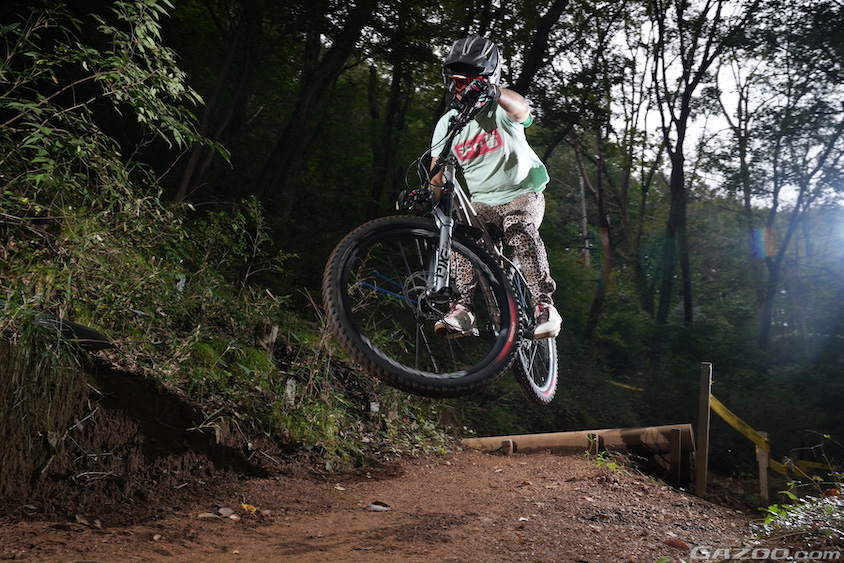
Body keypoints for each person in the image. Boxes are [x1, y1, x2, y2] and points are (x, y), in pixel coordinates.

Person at [427, 35, 562, 340]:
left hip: (523, 194)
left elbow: (521, 108)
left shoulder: (500, 110)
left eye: (471, 81)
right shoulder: (448, 124)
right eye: (457, 81)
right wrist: (431, 200)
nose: (462, 87)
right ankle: (462, 311)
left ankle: (545, 306)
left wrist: (495, 93)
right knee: (463, 239)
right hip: (482, 204)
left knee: (518, 228)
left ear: (487, 81)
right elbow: (438, 174)